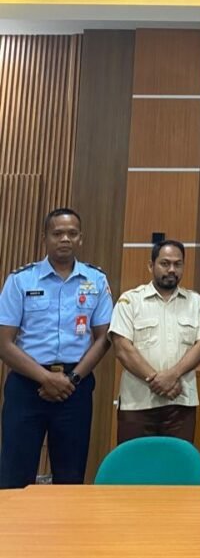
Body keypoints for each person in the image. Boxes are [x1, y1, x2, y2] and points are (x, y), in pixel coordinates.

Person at [0, 208, 112, 488]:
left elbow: (104, 338)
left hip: (75, 385)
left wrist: (71, 380)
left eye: (72, 233)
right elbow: (4, 342)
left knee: (70, 474)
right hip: (27, 386)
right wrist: (45, 378)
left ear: (81, 238)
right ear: (45, 238)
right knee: (15, 473)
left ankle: (67, 531)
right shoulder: (20, 280)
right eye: (58, 233)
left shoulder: (96, 281)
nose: (65, 239)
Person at [109, 240, 200, 444]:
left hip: (180, 402)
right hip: (138, 403)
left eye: (178, 264)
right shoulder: (130, 300)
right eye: (165, 263)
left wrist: (172, 376)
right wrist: (156, 380)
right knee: (135, 470)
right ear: (151, 265)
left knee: (176, 470)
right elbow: (122, 348)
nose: (172, 269)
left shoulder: (195, 301)